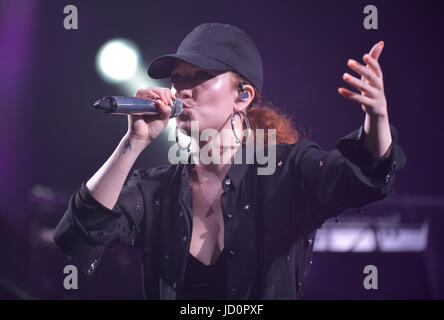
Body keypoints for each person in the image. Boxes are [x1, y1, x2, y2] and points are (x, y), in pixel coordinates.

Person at [53, 23, 406, 299]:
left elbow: (362, 178)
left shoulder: (286, 170)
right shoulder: (155, 189)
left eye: (201, 77)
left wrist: (376, 118)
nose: (183, 90)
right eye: (178, 79)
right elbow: (80, 233)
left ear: (243, 96)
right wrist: (133, 141)